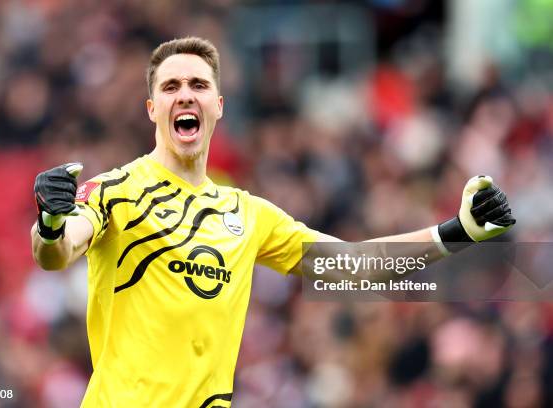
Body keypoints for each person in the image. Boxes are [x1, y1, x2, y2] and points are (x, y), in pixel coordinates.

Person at [31, 37, 515, 407]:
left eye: (199, 85)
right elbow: (58, 250)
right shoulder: (114, 189)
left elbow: (347, 266)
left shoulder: (248, 213)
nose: (185, 95)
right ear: (152, 108)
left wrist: (456, 233)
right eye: (171, 86)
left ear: (218, 106)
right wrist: (51, 222)